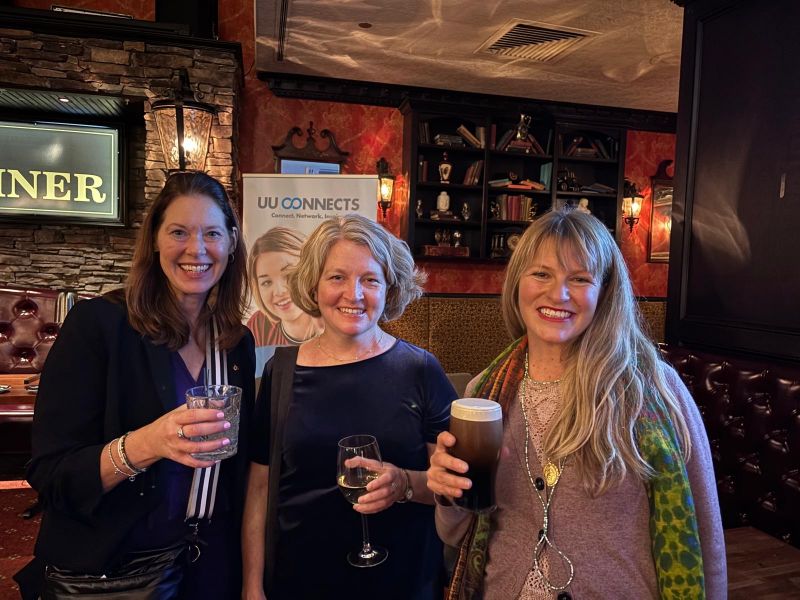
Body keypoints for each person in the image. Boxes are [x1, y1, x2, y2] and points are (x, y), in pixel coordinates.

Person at [427, 210, 727, 599]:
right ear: (517, 280)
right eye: (541, 274)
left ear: (604, 292)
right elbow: (454, 533)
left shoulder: (652, 389)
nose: (558, 294)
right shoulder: (486, 391)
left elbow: (704, 532)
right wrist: (448, 492)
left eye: (580, 278)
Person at [21, 172, 255, 600]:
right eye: (179, 232)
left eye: (212, 233)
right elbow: (52, 476)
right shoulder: (99, 326)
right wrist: (147, 444)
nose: (196, 249)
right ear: (154, 241)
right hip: (118, 567)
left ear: (232, 242)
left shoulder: (235, 341)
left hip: (211, 563)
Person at [242, 214, 457, 600]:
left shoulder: (420, 370)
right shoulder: (282, 370)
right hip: (299, 579)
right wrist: (252, 585)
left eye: (370, 279)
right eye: (337, 277)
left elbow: (452, 488)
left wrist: (405, 484)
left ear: (389, 288)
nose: (353, 294)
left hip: (401, 579)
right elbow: (259, 488)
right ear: (314, 284)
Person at [246, 227, 324, 373]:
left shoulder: (335, 321)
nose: (279, 291)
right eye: (266, 282)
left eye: (289, 275)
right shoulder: (259, 325)